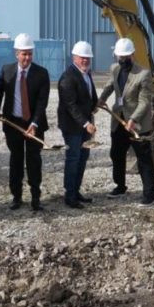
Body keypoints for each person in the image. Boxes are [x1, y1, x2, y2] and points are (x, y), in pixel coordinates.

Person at [0, 33, 50, 211]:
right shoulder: (7, 70)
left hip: (34, 125)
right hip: (13, 124)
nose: (27, 57)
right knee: (15, 160)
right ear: (16, 53)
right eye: (23, 54)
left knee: (34, 160)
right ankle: (16, 197)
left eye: (29, 54)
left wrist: (34, 123)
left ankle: (35, 197)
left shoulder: (41, 73)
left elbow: (42, 102)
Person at [98, 38, 154, 205]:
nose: (122, 60)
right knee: (116, 154)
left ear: (132, 54)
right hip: (118, 120)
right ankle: (120, 185)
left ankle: (149, 194)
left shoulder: (143, 74)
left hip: (137, 123)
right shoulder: (115, 69)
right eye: (120, 57)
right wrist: (101, 99)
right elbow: (110, 85)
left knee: (143, 158)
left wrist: (133, 119)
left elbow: (145, 101)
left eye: (126, 57)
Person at [57, 41, 98, 209]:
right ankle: (70, 195)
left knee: (82, 158)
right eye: (82, 58)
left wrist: (95, 104)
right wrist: (86, 123)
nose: (85, 60)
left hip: (84, 126)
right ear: (74, 57)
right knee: (73, 158)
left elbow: (90, 95)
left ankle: (76, 190)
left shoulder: (86, 74)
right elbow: (71, 105)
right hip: (73, 127)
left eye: (88, 58)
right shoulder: (68, 77)